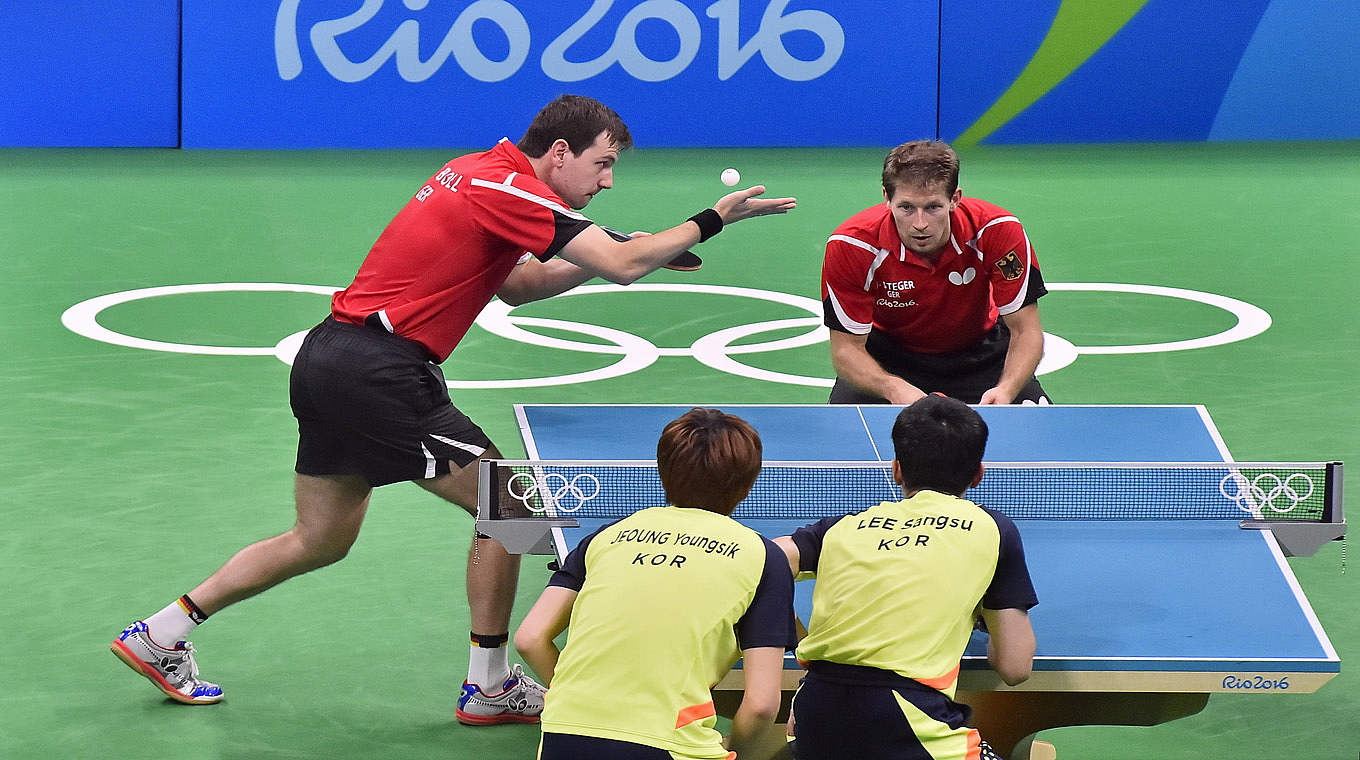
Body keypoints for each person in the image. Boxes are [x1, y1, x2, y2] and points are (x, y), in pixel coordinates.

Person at [109, 95, 797, 724]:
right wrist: (709, 221)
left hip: (330, 360)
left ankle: (161, 633)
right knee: (517, 508)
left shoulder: (479, 173)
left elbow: (522, 287)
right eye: (602, 163)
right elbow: (626, 265)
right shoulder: (507, 185)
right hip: (382, 371)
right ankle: (490, 684)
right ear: (561, 152)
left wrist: (602, 250)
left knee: (320, 537)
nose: (607, 181)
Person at [514, 408, 797, 759]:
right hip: (670, 745)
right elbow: (761, 704)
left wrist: (585, 704)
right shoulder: (764, 558)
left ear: (663, 472)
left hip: (562, 734)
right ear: (749, 481)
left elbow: (529, 638)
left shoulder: (605, 538)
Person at [774, 395, 1037, 759]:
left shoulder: (841, 529)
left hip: (815, 709)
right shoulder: (994, 530)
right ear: (978, 473)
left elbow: (761, 563)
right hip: (908, 721)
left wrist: (802, 644)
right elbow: (1015, 666)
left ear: (897, 468)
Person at [821, 139, 1050, 405]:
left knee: (1039, 441)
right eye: (906, 207)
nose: (920, 224)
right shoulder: (853, 246)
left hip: (981, 356)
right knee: (843, 444)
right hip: (888, 360)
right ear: (886, 198)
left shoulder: (996, 230)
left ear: (955, 199)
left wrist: (1007, 389)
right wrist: (894, 389)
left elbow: (1026, 331)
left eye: (933, 207)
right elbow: (845, 350)